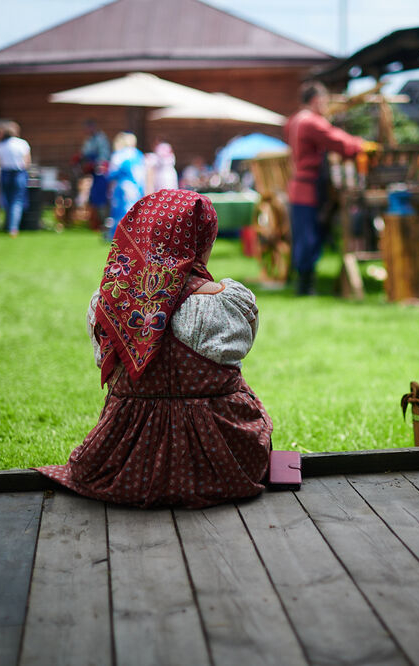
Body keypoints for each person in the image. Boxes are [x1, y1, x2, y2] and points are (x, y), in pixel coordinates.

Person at [35, 189, 273, 508]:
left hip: (128, 462)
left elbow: (102, 362)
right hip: (225, 461)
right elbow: (237, 354)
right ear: (203, 240)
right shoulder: (225, 304)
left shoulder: (109, 303)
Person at [284, 81, 377, 295]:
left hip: (301, 186)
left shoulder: (296, 119)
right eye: (323, 101)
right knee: (308, 237)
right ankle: (305, 287)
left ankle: (304, 283)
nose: (325, 105)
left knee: (305, 236)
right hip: (308, 188)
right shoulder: (311, 121)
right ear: (316, 100)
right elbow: (337, 140)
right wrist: (361, 145)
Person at [106, 131, 145, 240]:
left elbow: (111, 173)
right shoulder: (138, 154)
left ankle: (117, 235)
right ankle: (133, 235)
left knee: (120, 211)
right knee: (133, 211)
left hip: (122, 187)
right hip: (136, 187)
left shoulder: (119, 155)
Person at [0, 121, 31, 237]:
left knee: (7, 200)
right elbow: (27, 162)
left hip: (5, 173)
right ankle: (13, 228)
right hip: (19, 173)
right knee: (17, 201)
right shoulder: (22, 144)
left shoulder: (1, 145)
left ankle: (7, 224)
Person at [81, 120, 111, 230]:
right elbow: (85, 152)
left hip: (101, 172)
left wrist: (94, 164)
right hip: (93, 173)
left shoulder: (100, 139)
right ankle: (97, 222)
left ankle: (104, 222)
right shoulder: (89, 140)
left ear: (92, 127)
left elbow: (103, 157)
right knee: (94, 197)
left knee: (101, 198)